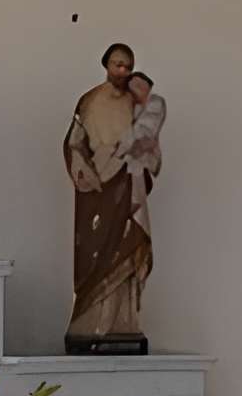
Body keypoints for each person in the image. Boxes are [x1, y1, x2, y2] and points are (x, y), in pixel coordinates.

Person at [65, 45, 167, 354]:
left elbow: (150, 143)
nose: (121, 71)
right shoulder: (89, 101)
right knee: (96, 251)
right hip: (98, 191)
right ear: (105, 65)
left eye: (127, 66)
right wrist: (86, 171)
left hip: (127, 185)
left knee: (128, 246)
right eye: (116, 64)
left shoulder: (139, 104)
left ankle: (123, 322)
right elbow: (74, 144)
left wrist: (139, 153)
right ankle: (89, 322)